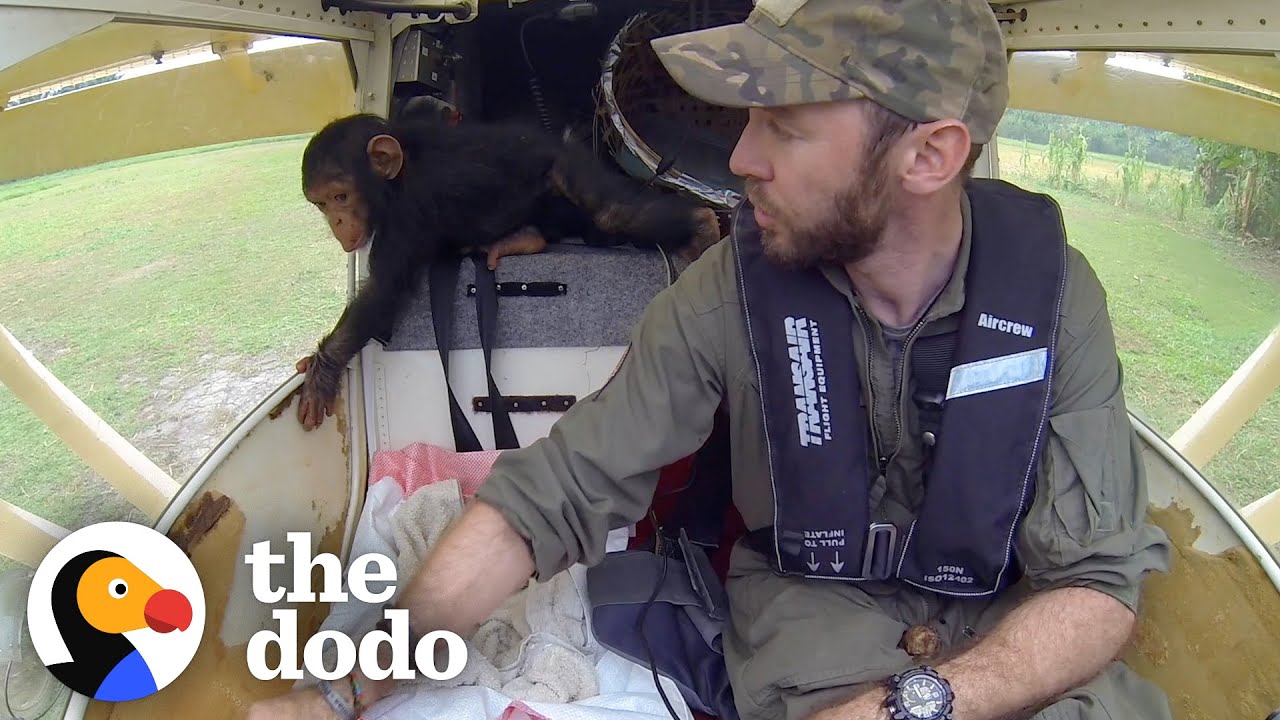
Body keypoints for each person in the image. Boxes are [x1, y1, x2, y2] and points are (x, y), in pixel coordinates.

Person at [248, 0, 1175, 718]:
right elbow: (551, 495)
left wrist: (920, 704)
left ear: (928, 156)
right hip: (817, 637)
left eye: (785, 125)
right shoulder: (733, 288)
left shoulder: (1052, 296)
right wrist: (344, 690)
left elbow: (1097, 584)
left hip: (1021, 644)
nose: (740, 158)